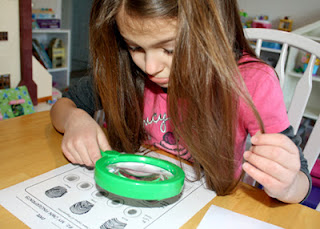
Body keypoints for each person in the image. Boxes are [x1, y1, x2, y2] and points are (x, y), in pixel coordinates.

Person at [50, 0, 311, 203]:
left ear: (212, 31)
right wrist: (75, 118)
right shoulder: (126, 70)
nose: (150, 67)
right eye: (135, 47)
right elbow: (64, 105)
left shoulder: (252, 81)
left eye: (170, 49)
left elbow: (300, 179)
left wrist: (288, 185)